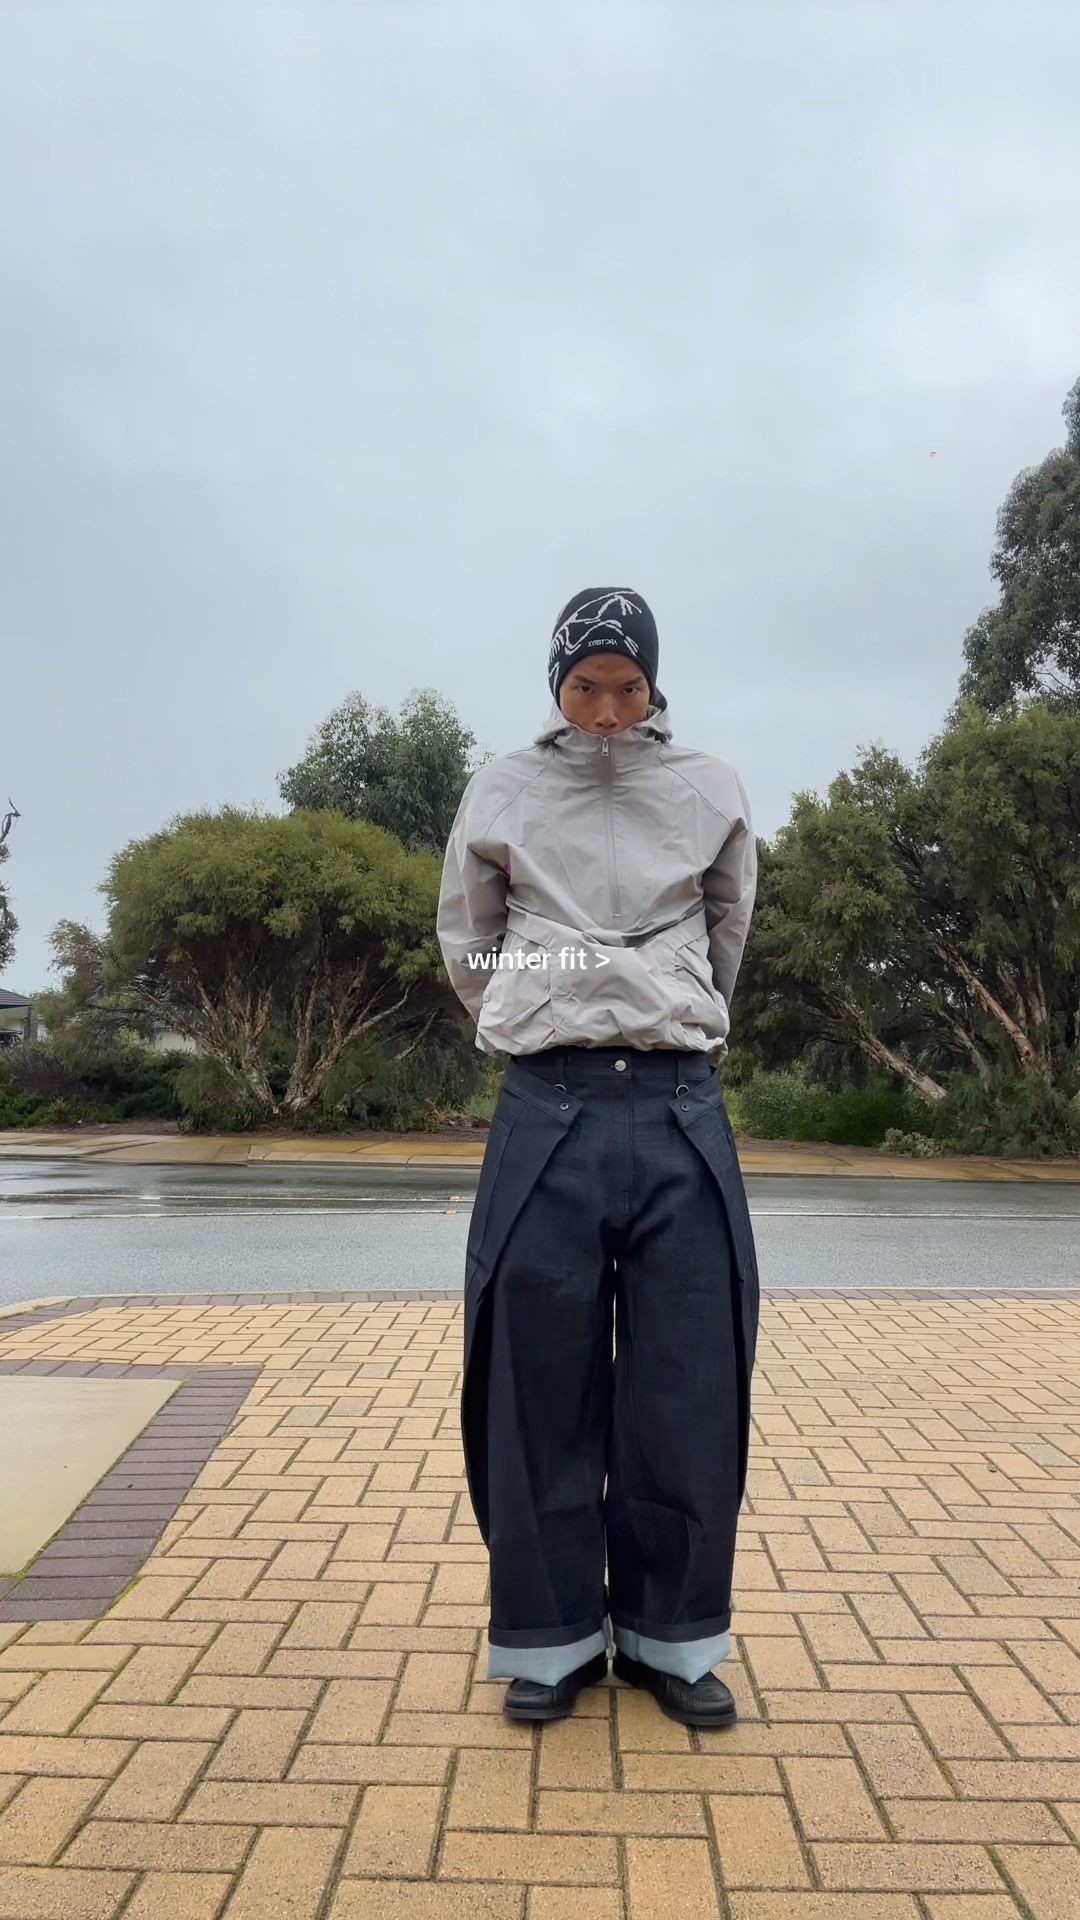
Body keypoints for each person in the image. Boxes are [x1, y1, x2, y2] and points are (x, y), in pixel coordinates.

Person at [436, 587, 759, 1728]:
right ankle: (552, 1640)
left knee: (688, 1384)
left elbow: (729, 927)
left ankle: (674, 1643)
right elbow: (469, 938)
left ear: (655, 686)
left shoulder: (710, 786)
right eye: (586, 687)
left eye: (629, 687)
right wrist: (543, 1005)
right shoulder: (503, 788)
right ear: (557, 686)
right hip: (548, 1101)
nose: (609, 710)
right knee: (535, 1383)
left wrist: (671, 1009)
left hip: (678, 1103)